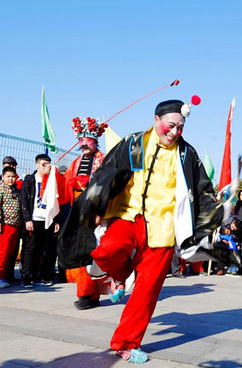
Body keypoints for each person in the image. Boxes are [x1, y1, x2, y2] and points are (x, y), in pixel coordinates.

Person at [70, 98, 223, 363]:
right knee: (106, 252)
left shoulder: (187, 154)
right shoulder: (134, 143)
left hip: (164, 229)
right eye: (171, 125)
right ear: (156, 120)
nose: (175, 132)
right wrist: (95, 205)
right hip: (129, 217)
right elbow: (106, 173)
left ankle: (126, 342)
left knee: (147, 289)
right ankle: (120, 276)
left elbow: (203, 190)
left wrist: (216, 215)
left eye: (180, 127)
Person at [59, 115, 107, 310]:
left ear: (95, 141)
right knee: (81, 252)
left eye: (87, 140)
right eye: (81, 141)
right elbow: (65, 185)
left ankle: (92, 294)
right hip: (78, 211)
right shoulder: (76, 162)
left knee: (94, 253)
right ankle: (86, 294)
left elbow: (107, 184)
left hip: (97, 211)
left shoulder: (104, 160)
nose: (84, 144)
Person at [21, 154, 61, 287]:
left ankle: (44, 276)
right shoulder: (30, 180)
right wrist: (27, 219)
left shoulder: (52, 180)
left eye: (49, 164)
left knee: (48, 249)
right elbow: (25, 200)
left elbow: (57, 201)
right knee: (31, 248)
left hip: (48, 219)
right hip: (34, 218)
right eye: (43, 164)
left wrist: (56, 220)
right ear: (37, 165)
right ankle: (27, 275)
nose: (46, 167)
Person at [0, 166, 23, 288]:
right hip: (4, 225)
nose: (10, 179)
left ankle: (3, 276)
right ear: (2, 177)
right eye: (8, 177)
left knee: (9, 252)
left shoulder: (16, 191)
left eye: (13, 177)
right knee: (2, 251)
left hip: (15, 225)